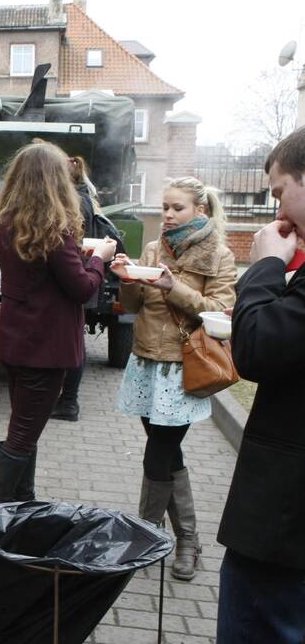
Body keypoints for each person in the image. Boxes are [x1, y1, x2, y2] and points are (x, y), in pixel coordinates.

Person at [108, 177, 235, 582]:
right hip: (147, 361)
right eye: (164, 206)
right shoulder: (152, 247)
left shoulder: (219, 254)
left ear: (199, 209)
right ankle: (188, 540)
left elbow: (220, 311)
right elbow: (132, 306)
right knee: (167, 454)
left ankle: (144, 536)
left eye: (176, 208)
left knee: (159, 452)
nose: (167, 214)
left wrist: (173, 286)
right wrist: (126, 279)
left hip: (184, 367)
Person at [0, 142, 115, 503]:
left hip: (14, 340)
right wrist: (100, 259)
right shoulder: (54, 232)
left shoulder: (3, 225)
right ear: (56, 181)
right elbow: (82, 288)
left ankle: (22, 503)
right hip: (45, 347)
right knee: (23, 434)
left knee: (24, 427)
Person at [216, 128, 305, 643]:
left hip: (285, 524)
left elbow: (259, 349)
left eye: (277, 193)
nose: (276, 211)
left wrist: (267, 264)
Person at [50, 155, 98, 422]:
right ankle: (67, 400)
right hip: (80, 273)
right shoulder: (83, 197)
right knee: (75, 339)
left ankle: (69, 401)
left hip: (77, 275)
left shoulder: (75, 202)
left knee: (74, 341)